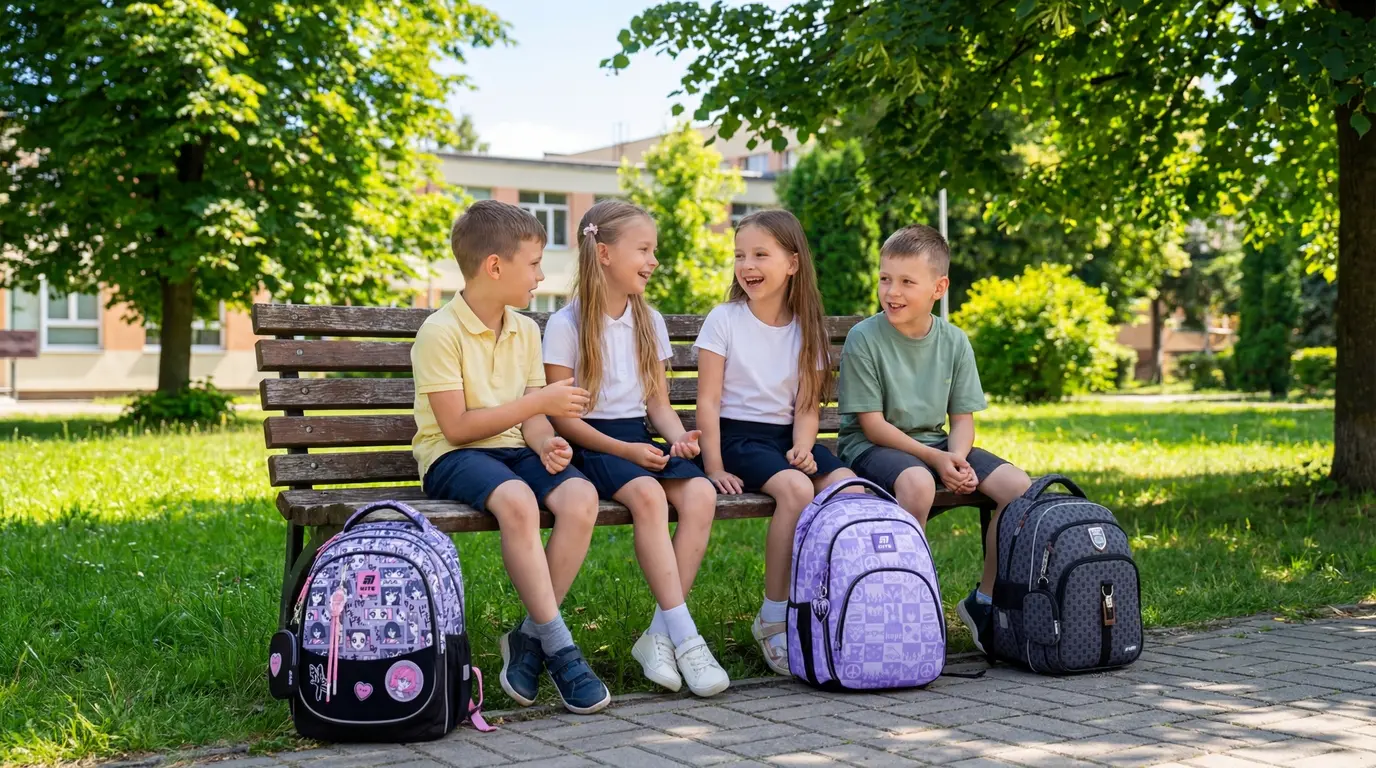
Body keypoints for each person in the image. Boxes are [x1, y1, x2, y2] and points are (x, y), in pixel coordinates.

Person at [411, 199, 610, 714]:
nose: (541, 276)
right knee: (519, 502)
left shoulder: (523, 328)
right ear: (495, 266)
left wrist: (546, 441)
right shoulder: (440, 332)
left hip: (513, 450)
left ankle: (528, 637)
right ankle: (562, 648)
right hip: (454, 456)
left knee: (582, 496)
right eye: (534, 263)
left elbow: (532, 420)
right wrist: (537, 404)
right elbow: (456, 427)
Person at [542, 200, 729, 697]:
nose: (653, 261)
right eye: (643, 250)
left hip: (636, 440)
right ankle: (687, 637)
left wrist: (677, 437)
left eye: (654, 251)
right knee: (648, 496)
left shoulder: (649, 320)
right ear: (603, 253)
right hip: (593, 443)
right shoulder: (566, 324)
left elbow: (658, 405)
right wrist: (627, 453)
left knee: (702, 496)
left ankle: (659, 633)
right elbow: (563, 418)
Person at [837, 224, 1032, 655]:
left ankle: (983, 601)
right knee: (919, 483)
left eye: (907, 282)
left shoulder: (954, 341)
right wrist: (936, 460)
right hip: (873, 448)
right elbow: (871, 425)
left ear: (938, 288)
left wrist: (957, 459)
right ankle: (905, 602)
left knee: (1019, 489)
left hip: (938, 445)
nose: (893, 291)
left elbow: (962, 420)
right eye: (886, 279)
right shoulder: (865, 338)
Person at [693, 209, 857, 676]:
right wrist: (714, 465)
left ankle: (835, 605)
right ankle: (773, 615)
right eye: (740, 255)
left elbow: (807, 406)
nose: (747, 264)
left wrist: (805, 447)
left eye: (760, 254)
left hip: (787, 439)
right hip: (738, 436)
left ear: (792, 262)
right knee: (795, 490)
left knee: (850, 491)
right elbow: (706, 403)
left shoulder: (809, 329)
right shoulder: (724, 320)